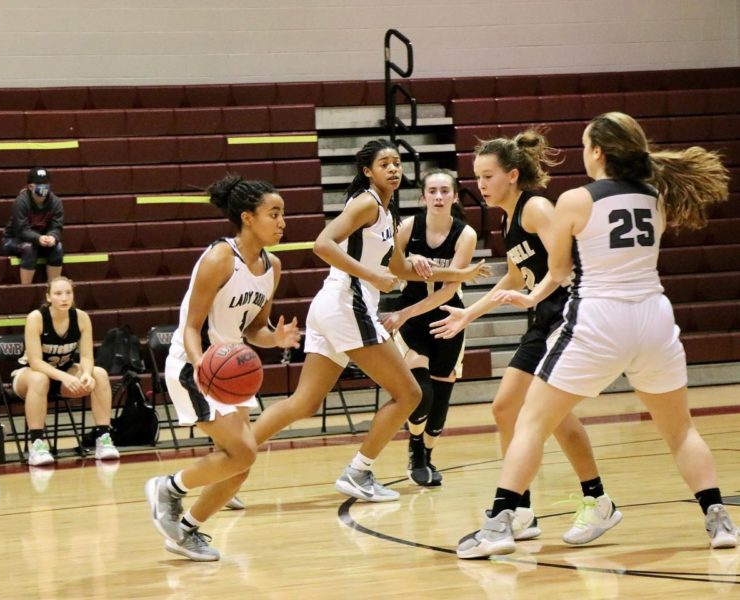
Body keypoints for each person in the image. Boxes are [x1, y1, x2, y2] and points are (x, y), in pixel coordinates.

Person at [456, 112, 738, 559]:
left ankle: (498, 524)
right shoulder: (655, 195)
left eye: (587, 145)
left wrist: (531, 299)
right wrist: (530, 301)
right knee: (681, 429)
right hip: (654, 317)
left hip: (600, 319)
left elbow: (560, 270)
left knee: (530, 420)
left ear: (598, 152)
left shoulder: (574, 200)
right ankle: (718, 517)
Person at [246, 139, 487, 505]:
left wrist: (459, 272)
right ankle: (359, 471)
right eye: (384, 163)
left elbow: (399, 268)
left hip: (332, 306)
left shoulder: (387, 215)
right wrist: (371, 279)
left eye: (397, 162)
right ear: (367, 171)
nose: (393, 168)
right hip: (347, 304)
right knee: (410, 393)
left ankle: (227, 462)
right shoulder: (365, 203)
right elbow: (323, 244)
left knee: (303, 403)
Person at [432, 131, 618, 545]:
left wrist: (534, 296)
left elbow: (565, 265)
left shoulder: (535, 208)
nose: (480, 184)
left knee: (540, 413)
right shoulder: (508, 216)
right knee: (507, 410)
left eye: (488, 176)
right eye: (477, 177)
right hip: (541, 319)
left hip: (565, 313)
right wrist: (469, 313)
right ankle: (524, 510)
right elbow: (516, 277)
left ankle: (593, 500)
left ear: (512, 175)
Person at [144, 175, 301, 562]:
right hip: (194, 364)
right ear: (248, 218)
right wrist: (201, 365)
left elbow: (254, 330)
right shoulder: (219, 258)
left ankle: (185, 531)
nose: (282, 222)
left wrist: (275, 339)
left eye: (283, 214)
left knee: (239, 466)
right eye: (274, 214)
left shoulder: (272, 266)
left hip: (230, 368)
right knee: (243, 452)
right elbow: (191, 327)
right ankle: (169, 488)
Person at [379, 169, 478, 487]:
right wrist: (413, 260)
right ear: (422, 197)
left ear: (454, 197)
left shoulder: (465, 235)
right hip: (414, 321)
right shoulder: (409, 227)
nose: (438, 196)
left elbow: (449, 289)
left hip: (448, 316)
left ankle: (425, 452)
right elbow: (391, 268)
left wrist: (405, 311)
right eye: (432, 191)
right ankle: (415, 448)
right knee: (421, 389)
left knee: (442, 391)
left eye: (444, 191)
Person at [13, 276, 119, 466]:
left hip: (64, 374)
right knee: (39, 379)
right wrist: (64, 377)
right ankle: (37, 444)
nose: (64, 298)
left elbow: (86, 356)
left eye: (68, 293)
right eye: (58, 293)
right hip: (29, 375)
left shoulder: (81, 317)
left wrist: (86, 373)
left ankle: (104, 439)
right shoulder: (36, 318)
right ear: (48, 297)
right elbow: (36, 362)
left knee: (100, 374)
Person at [2, 167, 65, 285]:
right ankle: (26, 290)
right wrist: (38, 238)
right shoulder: (21, 202)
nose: (44, 187)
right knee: (29, 248)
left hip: (40, 241)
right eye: (40, 184)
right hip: (13, 239)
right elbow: (21, 230)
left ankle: (53, 288)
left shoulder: (56, 202)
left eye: (46, 183)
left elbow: (56, 226)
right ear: (31, 187)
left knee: (58, 247)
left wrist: (52, 236)